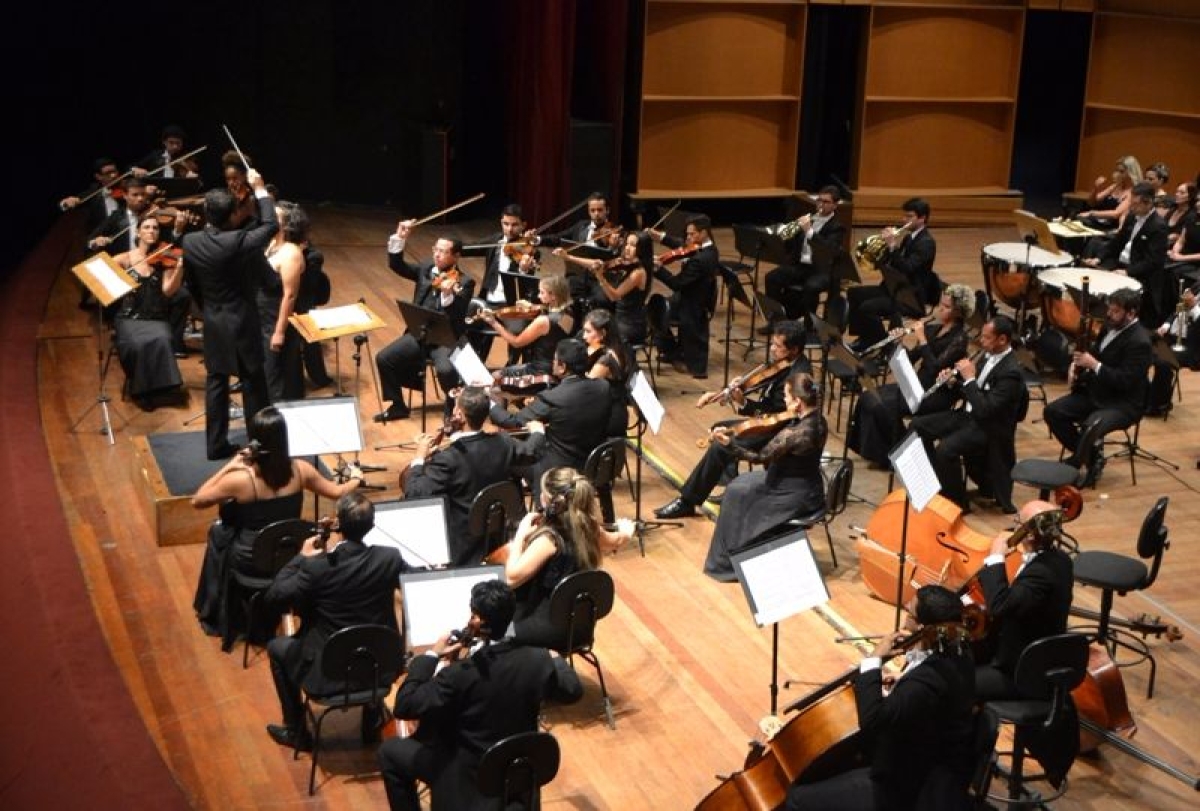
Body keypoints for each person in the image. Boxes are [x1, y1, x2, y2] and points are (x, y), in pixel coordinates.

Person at [377, 580, 583, 811]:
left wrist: (431, 655)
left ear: (476, 618)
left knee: (390, 753)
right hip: (513, 769)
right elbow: (572, 690)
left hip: (464, 776)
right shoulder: (537, 660)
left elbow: (405, 706)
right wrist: (554, 658)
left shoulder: (458, 675)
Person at [783, 585, 977, 811]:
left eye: (911, 612)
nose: (905, 607)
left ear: (924, 629)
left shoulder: (925, 683)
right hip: (930, 758)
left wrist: (873, 659)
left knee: (797, 798)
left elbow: (873, 721)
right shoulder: (958, 652)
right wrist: (901, 680)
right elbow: (929, 703)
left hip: (904, 784)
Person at [191, 406, 361, 649]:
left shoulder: (241, 480)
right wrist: (356, 476)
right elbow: (338, 492)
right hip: (291, 556)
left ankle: (221, 610)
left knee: (218, 534)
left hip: (252, 560)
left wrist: (230, 465)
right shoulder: (301, 471)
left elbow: (198, 500)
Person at [262, 491, 406, 752]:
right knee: (370, 637)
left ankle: (297, 732)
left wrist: (301, 557)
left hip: (327, 673)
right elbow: (414, 585)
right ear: (372, 526)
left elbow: (275, 595)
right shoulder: (390, 559)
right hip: (379, 668)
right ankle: (372, 721)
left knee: (276, 648)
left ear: (337, 524)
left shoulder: (317, 568)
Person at [656, 320, 812, 519]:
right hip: (770, 421)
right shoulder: (787, 362)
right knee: (719, 427)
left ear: (794, 349)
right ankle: (732, 487)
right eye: (772, 343)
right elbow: (763, 386)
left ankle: (687, 501)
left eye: (777, 346)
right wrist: (729, 390)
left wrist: (744, 402)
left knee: (720, 446)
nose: (772, 349)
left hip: (777, 430)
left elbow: (775, 416)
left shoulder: (798, 377)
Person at [182, 166, 277, 458]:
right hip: (241, 321)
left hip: (212, 319)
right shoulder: (235, 242)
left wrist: (208, 307)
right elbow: (271, 226)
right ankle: (258, 444)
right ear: (233, 214)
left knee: (216, 382)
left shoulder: (190, 241)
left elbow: (193, 285)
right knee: (253, 382)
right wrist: (260, 189)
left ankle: (215, 445)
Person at [702, 372, 828, 581]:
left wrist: (729, 444)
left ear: (798, 402)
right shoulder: (819, 420)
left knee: (735, 492)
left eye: (787, 396)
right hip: (809, 486)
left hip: (790, 494)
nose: (784, 400)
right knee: (740, 484)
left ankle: (729, 563)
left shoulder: (795, 434)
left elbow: (759, 457)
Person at [402, 386, 546, 566]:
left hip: (460, 541)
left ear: (460, 415)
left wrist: (419, 457)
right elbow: (531, 451)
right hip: (495, 534)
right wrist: (538, 431)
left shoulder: (448, 459)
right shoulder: (503, 442)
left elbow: (414, 493)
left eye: (455, 407)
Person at [500, 467, 633, 647]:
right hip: (579, 626)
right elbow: (615, 541)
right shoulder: (590, 527)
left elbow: (510, 578)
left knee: (492, 620)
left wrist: (520, 535)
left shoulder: (549, 540)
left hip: (549, 628)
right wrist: (626, 531)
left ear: (547, 501)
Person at [847, 284, 973, 470]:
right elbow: (912, 357)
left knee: (883, 406)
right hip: (915, 384)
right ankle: (883, 451)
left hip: (933, 394)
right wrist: (897, 343)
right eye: (940, 304)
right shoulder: (933, 329)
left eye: (946, 307)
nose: (939, 309)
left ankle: (899, 454)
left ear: (958, 313)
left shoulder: (959, 339)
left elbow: (934, 368)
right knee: (869, 396)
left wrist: (922, 340)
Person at [910, 315, 1026, 514]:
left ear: (1003, 340)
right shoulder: (986, 354)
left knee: (946, 450)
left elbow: (986, 409)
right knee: (917, 426)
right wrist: (954, 382)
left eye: (987, 338)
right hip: (969, 417)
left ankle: (956, 503)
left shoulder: (1012, 373)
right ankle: (932, 482)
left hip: (989, 427)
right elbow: (974, 390)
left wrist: (969, 379)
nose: (981, 341)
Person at [1043, 287, 1152, 486]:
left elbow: (1124, 381)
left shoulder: (1140, 342)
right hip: (1096, 393)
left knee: (1091, 426)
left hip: (1122, 403)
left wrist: (1094, 365)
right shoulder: (1109, 327)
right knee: (1053, 412)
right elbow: (1094, 352)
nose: (1109, 314)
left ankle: (1079, 462)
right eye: (1109, 309)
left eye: (1115, 311)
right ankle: (1090, 457)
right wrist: (1075, 365)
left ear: (1131, 313)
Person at [374, 221, 476, 423]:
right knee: (384, 358)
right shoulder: (426, 268)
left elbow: (457, 315)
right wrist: (400, 238)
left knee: (446, 370)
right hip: (421, 334)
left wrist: (448, 296)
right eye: (435, 249)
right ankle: (398, 406)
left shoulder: (464, 282)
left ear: (456, 256)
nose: (437, 254)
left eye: (443, 251)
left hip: (445, 339)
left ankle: (452, 410)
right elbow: (398, 266)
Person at [975, 500, 1074, 701]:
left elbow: (1000, 606)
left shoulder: (1040, 575)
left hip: (1021, 671)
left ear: (1027, 534)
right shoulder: (1061, 560)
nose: (1014, 524)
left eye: (1017, 521)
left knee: (952, 683)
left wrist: (996, 557)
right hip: (1027, 650)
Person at [488, 338, 612, 497]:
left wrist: (489, 402)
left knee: (507, 458)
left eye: (554, 360)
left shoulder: (553, 397)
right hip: (592, 464)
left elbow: (513, 422)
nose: (551, 364)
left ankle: (522, 516)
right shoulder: (603, 387)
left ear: (563, 367)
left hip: (557, 469)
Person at [110, 214, 187, 410]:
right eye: (146, 227)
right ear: (138, 232)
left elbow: (168, 291)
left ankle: (158, 389)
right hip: (128, 317)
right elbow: (106, 280)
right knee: (136, 343)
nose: (151, 231)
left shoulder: (167, 256)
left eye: (155, 228)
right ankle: (141, 390)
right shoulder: (125, 258)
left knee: (163, 338)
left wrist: (179, 269)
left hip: (155, 316)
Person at [848, 198, 940, 349]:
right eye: (905, 216)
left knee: (867, 307)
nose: (904, 220)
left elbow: (908, 267)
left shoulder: (927, 243)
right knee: (854, 293)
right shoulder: (908, 238)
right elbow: (893, 264)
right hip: (895, 288)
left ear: (922, 218)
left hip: (910, 297)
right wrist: (883, 250)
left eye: (909, 216)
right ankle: (866, 337)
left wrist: (892, 246)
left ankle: (884, 343)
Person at [1084, 181, 1171, 327]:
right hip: (1121, 264)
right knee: (1092, 276)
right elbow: (1117, 242)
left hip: (1141, 273)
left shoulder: (1159, 227)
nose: (1131, 206)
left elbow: (1153, 261)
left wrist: (1127, 271)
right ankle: (1095, 319)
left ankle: (1114, 322)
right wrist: (1098, 258)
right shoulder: (1131, 216)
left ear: (1148, 203)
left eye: (1135, 204)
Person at [647, 214, 721, 379]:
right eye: (687, 234)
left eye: (692, 234)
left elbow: (676, 283)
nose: (688, 238)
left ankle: (672, 351)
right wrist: (660, 237)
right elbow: (683, 246)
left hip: (691, 304)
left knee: (654, 312)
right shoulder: (710, 248)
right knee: (656, 307)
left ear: (704, 233)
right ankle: (675, 351)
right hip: (691, 297)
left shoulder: (701, 260)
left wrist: (658, 269)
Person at [765, 185, 848, 319]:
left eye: (826, 202)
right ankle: (777, 318)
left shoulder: (837, 227)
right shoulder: (809, 219)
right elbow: (792, 246)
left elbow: (828, 248)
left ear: (835, 205)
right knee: (771, 278)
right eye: (819, 200)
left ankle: (809, 326)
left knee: (811, 287)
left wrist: (809, 232)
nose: (821, 204)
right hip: (801, 266)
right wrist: (786, 234)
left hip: (821, 270)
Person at [468, 203, 537, 362]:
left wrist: (524, 270)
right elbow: (469, 248)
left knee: (518, 330)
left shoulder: (530, 250)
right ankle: (475, 366)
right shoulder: (495, 241)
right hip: (488, 300)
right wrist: (451, 245)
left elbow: (527, 284)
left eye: (514, 225)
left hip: (512, 305)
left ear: (523, 225)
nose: (509, 229)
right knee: (466, 323)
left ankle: (510, 367)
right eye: (505, 224)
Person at [560, 229, 651, 345]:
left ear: (642, 249)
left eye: (633, 245)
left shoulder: (639, 272)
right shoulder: (624, 262)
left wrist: (600, 277)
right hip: (617, 317)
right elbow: (596, 263)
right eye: (627, 243)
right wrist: (568, 257)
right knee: (582, 334)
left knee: (592, 336)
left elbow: (614, 296)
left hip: (630, 324)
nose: (627, 248)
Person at [536, 191, 621, 311]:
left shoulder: (613, 231)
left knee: (602, 300)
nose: (596, 214)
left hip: (601, 278)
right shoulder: (581, 226)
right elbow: (558, 238)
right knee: (563, 295)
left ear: (607, 210)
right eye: (593, 210)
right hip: (578, 276)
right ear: (589, 211)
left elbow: (617, 257)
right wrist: (537, 239)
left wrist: (614, 247)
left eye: (600, 210)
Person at [258, 200, 307, 401]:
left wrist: (279, 332)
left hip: (275, 321)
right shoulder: (270, 245)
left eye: (274, 216)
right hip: (261, 318)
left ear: (286, 224)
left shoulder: (291, 253)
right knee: (262, 373)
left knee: (274, 375)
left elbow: (290, 295)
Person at [481, 274, 574, 378]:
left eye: (542, 292)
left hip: (540, 370)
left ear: (553, 296)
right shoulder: (568, 312)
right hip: (556, 366)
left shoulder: (543, 321)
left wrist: (493, 323)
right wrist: (531, 306)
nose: (538, 296)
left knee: (495, 376)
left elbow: (516, 342)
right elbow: (549, 312)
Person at [582, 308, 634, 438]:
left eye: (588, 331)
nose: (584, 336)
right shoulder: (619, 347)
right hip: (617, 409)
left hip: (610, 416)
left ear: (603, 333)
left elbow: (585, 388)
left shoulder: (605, 361)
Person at [60, 157, 123, 233]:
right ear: (98, 177)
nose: (113, 175)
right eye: (108, 173)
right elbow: (69, 202)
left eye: (114, 171)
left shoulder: (126, 186)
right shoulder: (94, 192)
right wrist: (66, 202)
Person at [1078, 155, 1141, 229]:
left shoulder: (1133, 191)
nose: (1118, 174)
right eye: (1117, 170)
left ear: (1131, 173)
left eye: (1121, 171)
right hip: (1100, 221)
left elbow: (1116, 214)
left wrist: (1091, 213)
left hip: (1110, 227)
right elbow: (1092, 202)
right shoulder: (1115, 186)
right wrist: (1095, 188)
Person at [132, 124, 200, 180]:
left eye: (178, 143)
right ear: (164, 142)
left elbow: (199, 180)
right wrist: (135, 169)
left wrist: (191, 179)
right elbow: (130, 167)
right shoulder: (155, 155)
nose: (175, 146)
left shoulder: (188, 157)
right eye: (171, 142)